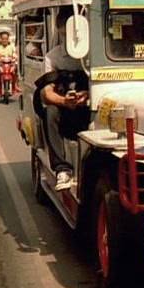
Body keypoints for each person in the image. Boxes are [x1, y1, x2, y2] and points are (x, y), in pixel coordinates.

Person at [41, 10, 89, 191]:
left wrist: (88, 95)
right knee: (50, 111)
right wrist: (64, 101)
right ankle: (62, 169)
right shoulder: (53, 57)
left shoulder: (94, 53)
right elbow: (47, 93)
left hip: (90, 106)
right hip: (65, 108)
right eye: (63, 34)